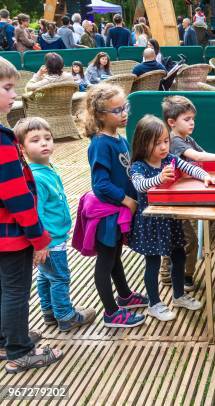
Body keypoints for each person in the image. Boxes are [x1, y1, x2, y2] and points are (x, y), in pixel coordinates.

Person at [0, 56, 63, 374]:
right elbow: (16, 198)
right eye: (8, 88)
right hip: (11, 236)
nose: (15, 95)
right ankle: (19, 351)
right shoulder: (2, 142)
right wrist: (39, 238)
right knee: (15, 291)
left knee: (3, 287)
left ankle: (6, 336)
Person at [75, 83, 149, 328]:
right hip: (107, 213)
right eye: (116, 111)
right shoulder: (100, 144)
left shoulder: (119, 138)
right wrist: (126, 199)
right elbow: (100, 184)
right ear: (100, 115)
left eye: (124, 107)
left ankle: (125, 296)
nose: (124, 113)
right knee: (106, 261)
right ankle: (110, 312)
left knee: (116, 255)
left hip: (118, 212)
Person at [15, 117, 96, 331]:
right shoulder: (36, 177)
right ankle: (65, 315)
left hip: (51, 238)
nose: (44, 143)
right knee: (60, 277)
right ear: (21, 148)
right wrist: (40, 243)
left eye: (47, 138)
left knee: (46, 275)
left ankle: (49, 311)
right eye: (35, 140)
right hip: (50, 240)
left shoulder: (47, 169)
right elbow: (36, 212)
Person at [161, 95, 215, 291]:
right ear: (172, 122)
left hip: (187, 194)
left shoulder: (187, 138)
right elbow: (198, 156)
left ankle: (178, 273)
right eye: (187, 119)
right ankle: (176, 275)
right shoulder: (175, 142)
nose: (192, 123)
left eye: (193, 118)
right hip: (174, 198)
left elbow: (204, 156)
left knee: (182, 238)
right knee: (184, 239)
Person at [129, 115, 210, 321]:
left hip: (171, 219)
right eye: (157, 143)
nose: (164, 147)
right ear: (142, 143)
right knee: (153, 262)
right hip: (151, 222)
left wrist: (204, 176)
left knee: (179, 256)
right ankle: (154, 303)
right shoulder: (138, 166)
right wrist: (159, 178)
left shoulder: (169, 159)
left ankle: (179, 295)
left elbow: (188, 167)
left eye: (165, 141)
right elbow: (139, 185)